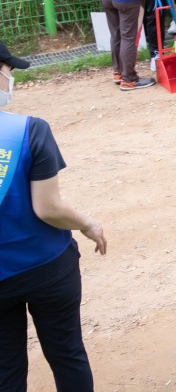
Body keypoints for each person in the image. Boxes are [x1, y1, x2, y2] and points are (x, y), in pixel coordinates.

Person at [0, 41, 108, 391]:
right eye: (9, 71)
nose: (10, 79)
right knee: (67, 354)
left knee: (6, 371)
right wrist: (88, 224)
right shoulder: (29, 130)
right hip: (46, 267)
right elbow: (47, 208)